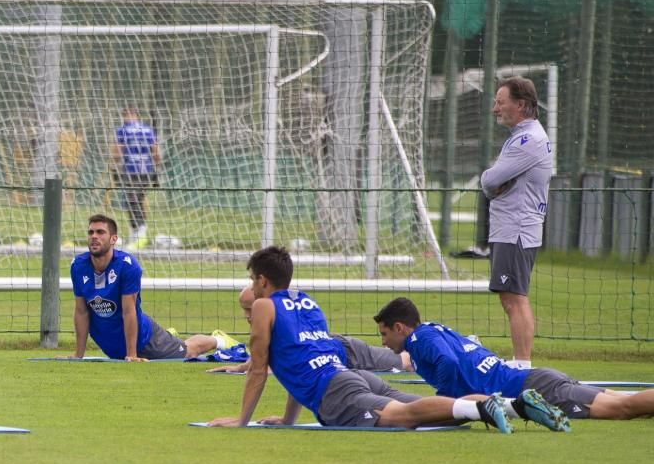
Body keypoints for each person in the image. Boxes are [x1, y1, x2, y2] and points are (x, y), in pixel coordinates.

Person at [207, 247, 567, 432]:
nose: (252, 288)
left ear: (265, 282)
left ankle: (484, 407)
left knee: (404, 417)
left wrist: (242, 419)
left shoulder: (264, 308)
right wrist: (288, 420)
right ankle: (513, 405)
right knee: (429, 408)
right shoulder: (308, 303)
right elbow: (298, 364)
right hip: (350, 375)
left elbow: (259, 369)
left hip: (338, 391)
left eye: (254, 280)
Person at [374, 296, 654, 422]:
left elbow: (448, 362)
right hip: (534, 379)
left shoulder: (419, 340)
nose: (383, 342)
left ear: (400, 327)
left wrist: (448, 401)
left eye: (385, 333)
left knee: (623, 408)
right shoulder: (433, 329)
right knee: (622, 400)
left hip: (532, 389)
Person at [68, 214, 237, 361]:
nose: (94, 236)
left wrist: (132, 354)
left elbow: (129, 311)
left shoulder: (127, 266)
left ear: (114, 239)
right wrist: (78, 355)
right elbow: (81, 311)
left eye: (100, 232)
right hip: (113, 344)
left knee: (189, 351)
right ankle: (169, 335)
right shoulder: (78, 265)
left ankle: (218, 340)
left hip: (144, 340)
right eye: (91, 232)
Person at [480, 76, 553, 369]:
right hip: (511, 228)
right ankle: (521, 362)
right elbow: (496, 181)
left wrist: (489, 180)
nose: (495, 108)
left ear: (520, 104)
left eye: (500, 102)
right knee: (510, 297)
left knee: (514, 298)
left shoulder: (528, 140)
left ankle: (522, 365)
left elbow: (491, 180)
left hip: (516, 229)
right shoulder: (523, 136)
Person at [207, 285, 413, 374]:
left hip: (347, 352)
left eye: (249, 309)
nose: (247, 316)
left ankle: (421, 347)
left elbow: (280, 360)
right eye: (244, 310)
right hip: (333, 353)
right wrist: (239, 368)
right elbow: (266, 354)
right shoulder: (274, 318)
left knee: (405, 362)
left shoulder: (284, 318)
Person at [111, 106, 160, 249]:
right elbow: (156, 151)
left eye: (126, 114)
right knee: (137, 200)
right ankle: (136, 234)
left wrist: (114, 169)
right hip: (146, 170)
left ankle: (140, 234)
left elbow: (117, 152)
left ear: (132, 115)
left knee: (132, 201)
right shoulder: (148, 130)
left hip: (131, 170)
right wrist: (157, 171)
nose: (126, 118)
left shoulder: (122, 130)